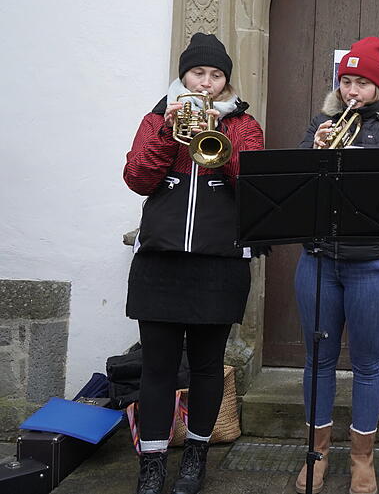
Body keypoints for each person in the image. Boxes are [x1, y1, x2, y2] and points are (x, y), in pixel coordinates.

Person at [123, 33, 264, 494]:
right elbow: (138, 178)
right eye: (198, 73)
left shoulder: (243, 124)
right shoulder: (156, 117)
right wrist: (168, 129)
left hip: (218, 263)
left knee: (206, 366)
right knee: (158, 369)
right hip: (161, 262)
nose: (206, 83)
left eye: (216, 75)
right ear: (184, 75)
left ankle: (196, 457)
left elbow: (254, 182)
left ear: (226, 82)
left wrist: (218, 135)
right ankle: (152, 462)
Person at [293, 36, 379, 494]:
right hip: (319, 261)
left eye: (362, 83)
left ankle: (361, 459)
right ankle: (317, 454)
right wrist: (316, 149)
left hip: (374, 263)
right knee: (318, 362)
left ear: (378, 86)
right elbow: (293, 183)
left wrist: (349, 156)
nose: (352, 91)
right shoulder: (323, 122)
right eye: (346, 81)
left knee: (368, 365)